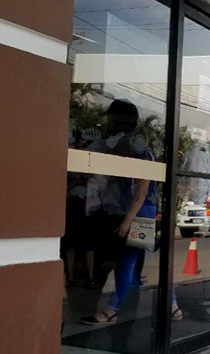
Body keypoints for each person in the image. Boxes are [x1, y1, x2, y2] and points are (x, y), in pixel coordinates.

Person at [80, 99, 160, 325]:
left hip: (140, 215)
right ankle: (171, 304)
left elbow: (141, 192)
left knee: (126, 263)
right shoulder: (141, 151)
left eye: (113, 120)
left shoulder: (141, 153)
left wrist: (127, 220)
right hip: (143, 213)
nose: (110, 124)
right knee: (131, 264)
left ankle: (112, 309)